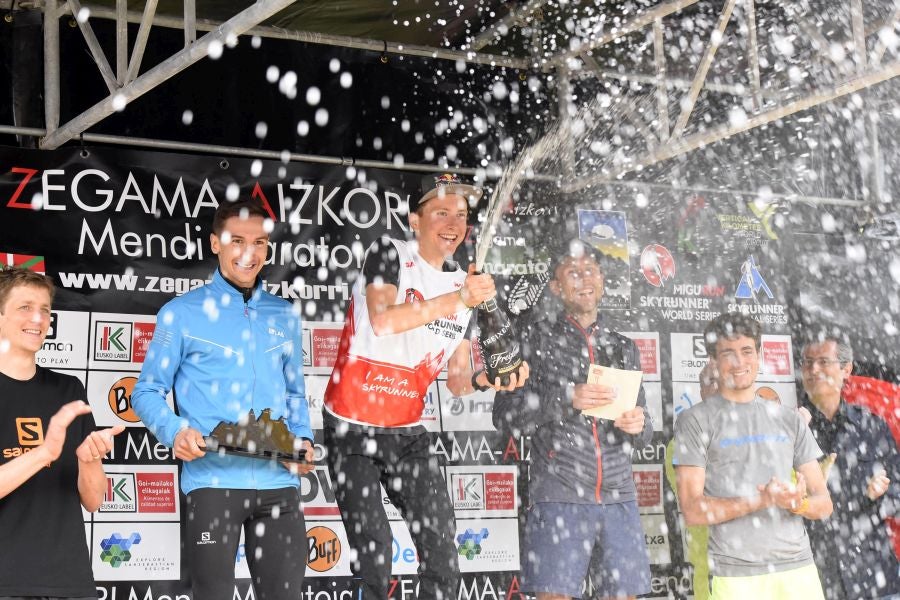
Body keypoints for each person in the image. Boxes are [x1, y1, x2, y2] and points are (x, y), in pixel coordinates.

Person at [323, 173, 529, 600]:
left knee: (441, 551)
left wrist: (491, 378)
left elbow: (457, 380)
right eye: (441, 212)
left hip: (408, 432)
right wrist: (462, 299)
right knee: (374, 551)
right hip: (351, 425)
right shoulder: (389, 252)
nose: (453, 223)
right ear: (414, 221)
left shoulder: (462, 285)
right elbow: (383, 320)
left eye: (461, 214)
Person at [132, 199, 314, 599]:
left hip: (279, 485)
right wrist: (175, 430)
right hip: (212, 484)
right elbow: (145, 391)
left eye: (260, 242)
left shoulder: (283, 314)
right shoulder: (180, 313)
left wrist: (303, 440)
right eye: (237, 241)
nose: (250, 253)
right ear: (215, 243)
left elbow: (295, 394)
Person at [493, 239, 653, 600]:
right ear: (555, 286)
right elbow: (504, 414)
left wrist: (639, 425)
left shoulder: (623, 346)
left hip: (618, 497)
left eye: (590, 270)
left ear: (602, 280)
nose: (584, 279)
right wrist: (566, 399)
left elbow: (645, 428)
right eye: (573, 272)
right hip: (559, 494)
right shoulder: (532, 338)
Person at [674, 312, 833, 600]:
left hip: (799, 570)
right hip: (735, 576)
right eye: (728, 353)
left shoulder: (788, 419)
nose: (739, 362)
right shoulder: (694, 421)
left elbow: (824, 504)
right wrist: (761, 500)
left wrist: (798, 503)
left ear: (759, 355)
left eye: (747, 351)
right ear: (713, 360)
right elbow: (693, 510)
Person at [0, 266, 123, 599]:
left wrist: (89, 459)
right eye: (25, 307)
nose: (38, 319)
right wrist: (44, 453)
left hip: (69, 581)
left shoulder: (68, 389)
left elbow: (94, 500)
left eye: (45, 310)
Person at [798, 331, 899, 599]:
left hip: (874, 574)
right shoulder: (792, 428)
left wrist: (876, 496)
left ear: (846, 370)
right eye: (807, 363)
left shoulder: (871, 425)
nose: (813, 370)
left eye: (823, 362)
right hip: (816, 575)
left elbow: (897, 490)